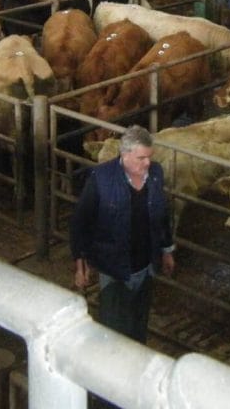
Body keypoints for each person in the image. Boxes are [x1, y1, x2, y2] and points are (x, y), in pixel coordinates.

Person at [70, 125, 175, 344]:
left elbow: (162, 214)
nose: (147, 163)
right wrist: (80, 264)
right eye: (141, 158)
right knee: (114, 332)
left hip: (146, 266)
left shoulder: (155, 173)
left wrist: (166, 250)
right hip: (114, 269)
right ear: (125, 155)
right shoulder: (101, 177)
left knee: (138, 326)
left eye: (149, 157)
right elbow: (81, 221)